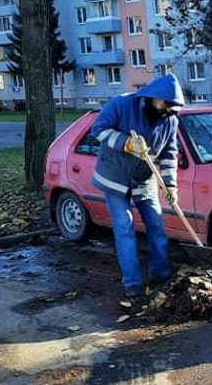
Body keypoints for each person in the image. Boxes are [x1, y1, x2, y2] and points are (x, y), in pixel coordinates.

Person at [91, 74, 185, 299]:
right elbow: (99, 130)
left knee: (156, 225)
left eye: (173, 108)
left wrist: (170, 185)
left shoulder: (170, 119)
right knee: (125, 227)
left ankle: (160, 275)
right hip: (115, 177)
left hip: (144, 179)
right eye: (167, 105)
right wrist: (126, 143)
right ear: (154, 98)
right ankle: (132, 283)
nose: (169, 111)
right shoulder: (122, 104)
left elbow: (170, 154)